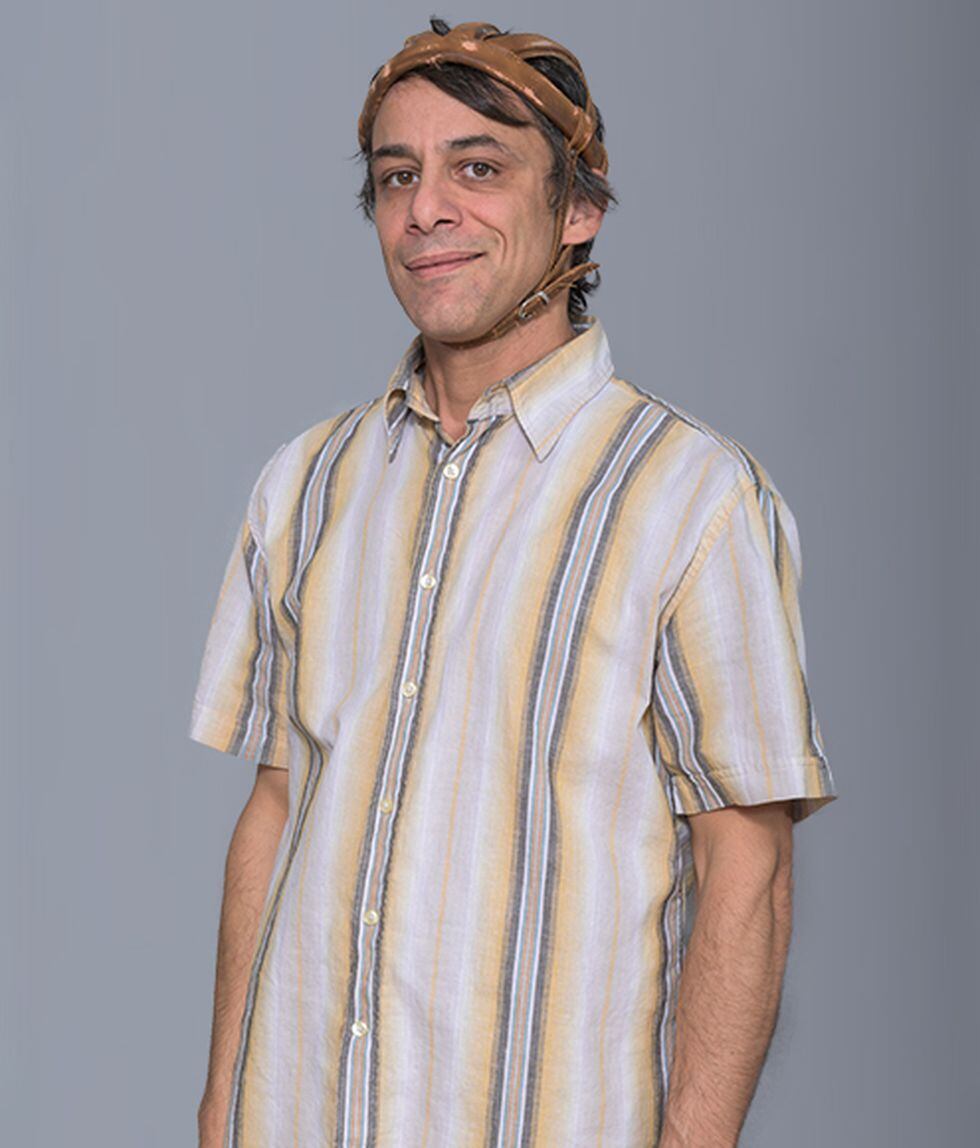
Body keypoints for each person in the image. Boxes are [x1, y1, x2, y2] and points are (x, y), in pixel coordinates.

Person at [188, 18, 838, 1148]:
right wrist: (220, 1114)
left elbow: (750, 866)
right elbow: (276, 808)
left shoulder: (691, 496)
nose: (427, 210)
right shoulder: (304, 483)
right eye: (398, 176)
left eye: (478, 167)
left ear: (578, 209)